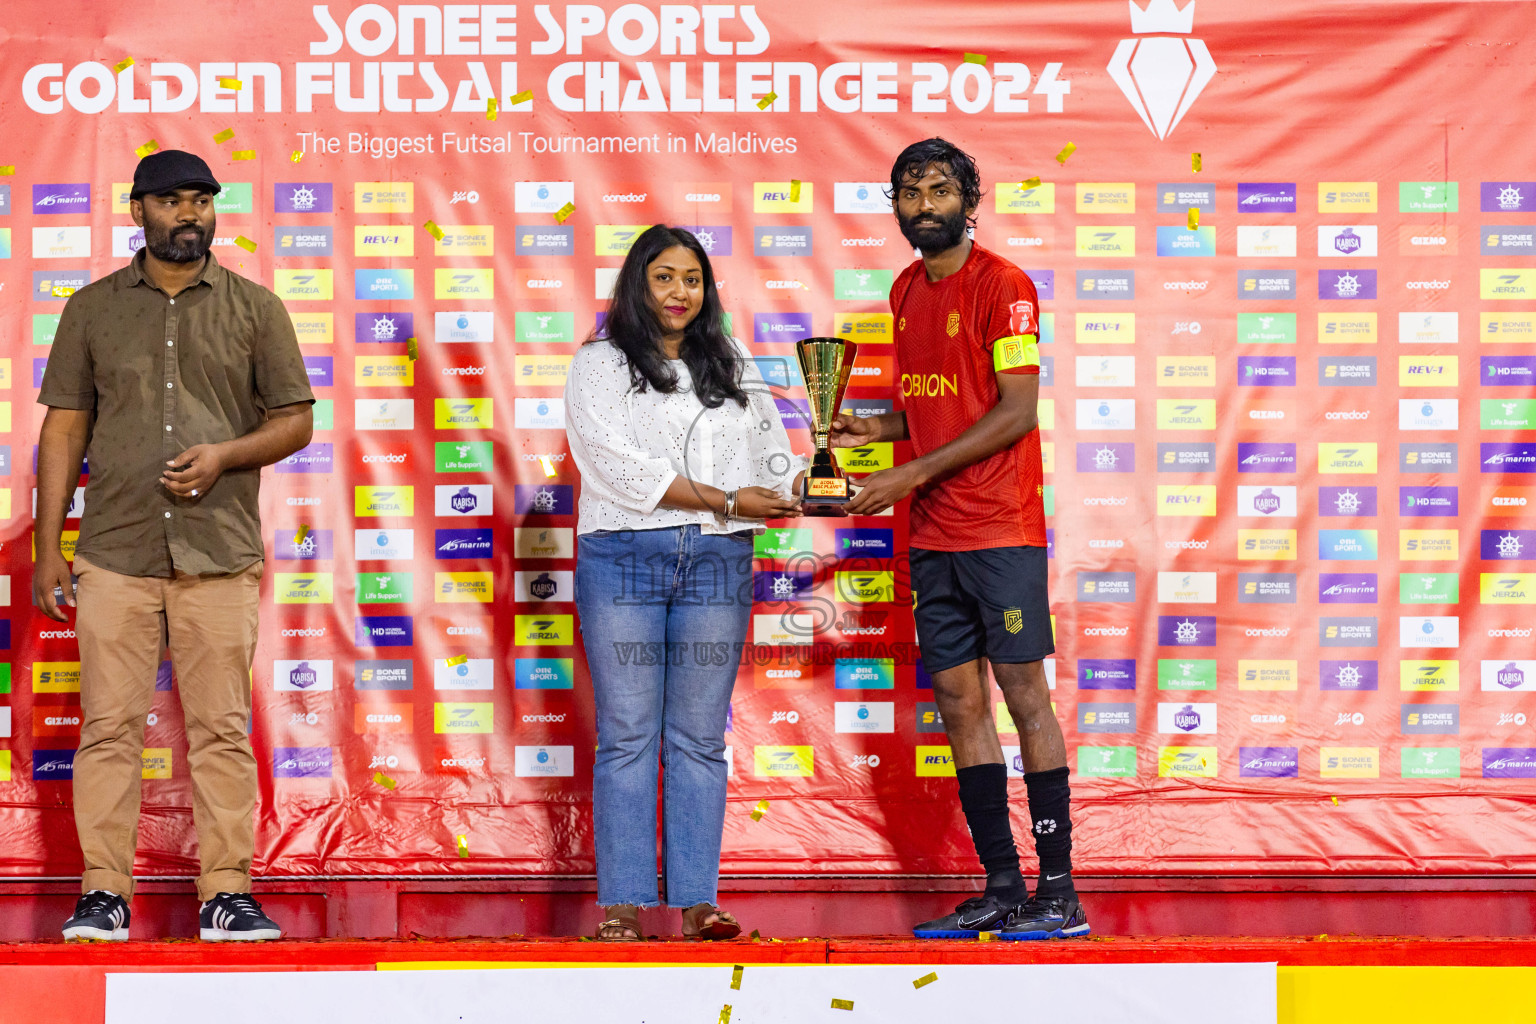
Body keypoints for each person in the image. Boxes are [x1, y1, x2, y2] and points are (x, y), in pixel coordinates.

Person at [35, 150, 315, 942]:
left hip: (217, 551)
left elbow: (296, 418)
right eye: (170, 202)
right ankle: (103, 894)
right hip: (114, 550)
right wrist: (48, 547)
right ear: (138, 212)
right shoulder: (90, 310)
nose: (188, 214)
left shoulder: (257, 308)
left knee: (222, 729)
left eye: (200, 201)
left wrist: (225, 455)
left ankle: (227, 892)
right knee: (109, 728)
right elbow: (64, 428)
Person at [831, 138, 1088, 940]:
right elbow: (945, 405)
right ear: (897, 207)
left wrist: (907, 475)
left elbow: (1014, 411)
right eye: (910, 192)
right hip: (936, 534)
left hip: (1000, 528)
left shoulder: (1005, 286)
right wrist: (879, 428)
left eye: (940, 188)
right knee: (957, 699)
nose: (925, 203)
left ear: (969, 200)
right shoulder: (905, 289)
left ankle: (1060, 892)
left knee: (1022, 698)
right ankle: (1002, 886)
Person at [565, 225, 805, 941]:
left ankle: (700, 900)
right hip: (624, 555)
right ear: (639, 283)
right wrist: (728, 500)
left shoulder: (729, 361)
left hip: (717, 559)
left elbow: (771, 456)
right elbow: (616, 467)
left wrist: (809, 480)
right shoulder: (600, 362)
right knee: (628, 733)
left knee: (700, 736)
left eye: (692, 279)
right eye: (665, 276)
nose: (679, 292)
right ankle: (624, 905)